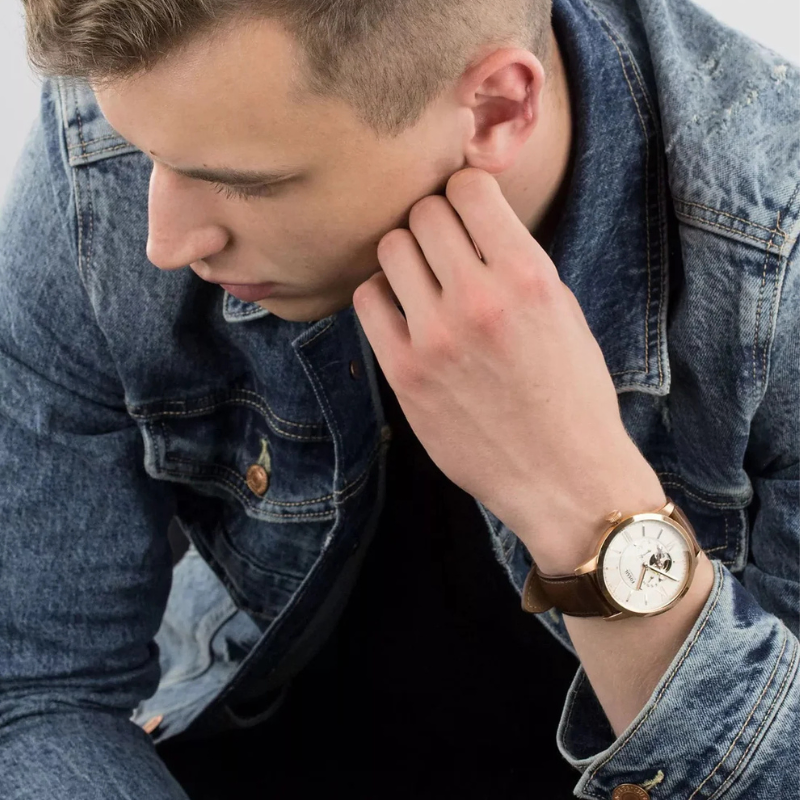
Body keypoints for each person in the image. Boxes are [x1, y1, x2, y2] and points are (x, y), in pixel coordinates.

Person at [0, 0, 797, 797]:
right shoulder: (139, 118)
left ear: (496, 109)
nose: (163, 243)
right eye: (146, 155)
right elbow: (33, 693)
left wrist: (584, 503)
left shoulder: (775, 263)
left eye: (244, 184)